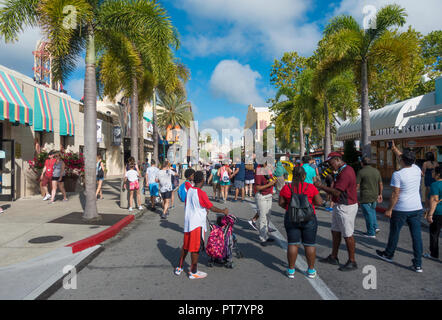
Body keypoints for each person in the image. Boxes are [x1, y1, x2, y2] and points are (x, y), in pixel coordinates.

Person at [376, 143, 424, 272]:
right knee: (416, 236)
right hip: (416, 207)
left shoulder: (398, 174)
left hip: (401, 208)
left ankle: (389, 254)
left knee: (395, 233)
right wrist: (394, 149)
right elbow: (404, 157)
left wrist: (389, 209)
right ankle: (418, 264)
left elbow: (395, 194)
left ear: (402, 161)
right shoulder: (416, 169)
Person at [174, 171, 229, 279]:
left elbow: (192, 204)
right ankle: (193, 272)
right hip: (197, 224)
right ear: (202, 180)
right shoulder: (200, 193)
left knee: (185, 246)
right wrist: (223, 211)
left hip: (188, 222)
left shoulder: (190, 190)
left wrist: (203, 209)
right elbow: (211, 207)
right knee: (195, 248)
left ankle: (179, 267)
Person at [314, 152, 358, 271]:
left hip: (346, 206)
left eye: (330, 162)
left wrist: (320, 186)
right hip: (340, 205)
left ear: (337, 160)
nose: (330, 165)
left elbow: (337, 192)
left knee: (348, 234)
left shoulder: (346, 172)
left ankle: (352, 261)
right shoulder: (342, 170)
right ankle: (334, 256)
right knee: (335, 231)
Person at [279, 166, 323, 279]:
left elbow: (281, 202)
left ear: (293, 175)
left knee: (293, 244)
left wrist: (289, 208)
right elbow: (319, 202)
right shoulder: (311, 187)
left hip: (291, 217)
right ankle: (311, 270)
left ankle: (291, 270)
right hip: (309, 218)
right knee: (310, 244)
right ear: (304, 176)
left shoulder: (287, 187)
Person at [356, 157, 383, 238]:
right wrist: (380, 194)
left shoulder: (361, 172)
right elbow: (380, 184)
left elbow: (357, 185)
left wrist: (353, 194)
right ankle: (375, 227)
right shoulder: (376, 171)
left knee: (368, 215)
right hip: (375, 195)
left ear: (362, 163)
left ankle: (371, 232)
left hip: (365, 196)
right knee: (372, 212)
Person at [255, 155, 278, 246]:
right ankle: (262, 238)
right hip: (262, 196)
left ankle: (266, 235)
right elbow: (258, 187)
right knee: (263, 217)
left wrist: (273, 181)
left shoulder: (267, 169)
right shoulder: (259, 171)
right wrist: (270, 184)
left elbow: (271, 179)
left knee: (268, 216)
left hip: (268, 194)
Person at [424, 166, 441, 260]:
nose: (432, 173)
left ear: (438, 174)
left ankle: (434, 254)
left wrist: (430, 214)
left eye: (433, 171)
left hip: (438, 213)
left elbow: (434, 200)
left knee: (434, 234)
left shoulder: (435, 185)